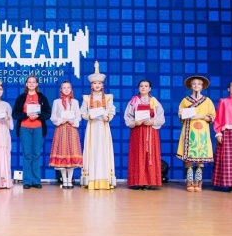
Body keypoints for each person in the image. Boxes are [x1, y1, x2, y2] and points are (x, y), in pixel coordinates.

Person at [80, 61, 116, 190]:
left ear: (102, 85)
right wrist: (88, 116)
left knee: (103, 150)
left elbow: (111, 110)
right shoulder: (86, 98)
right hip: (92, 127)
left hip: (103, 127)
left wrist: (108, 118)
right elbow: (82, 112)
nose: (97, 85)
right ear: (91, 85)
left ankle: (105, 179)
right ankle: (91, 179)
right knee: (92, 150)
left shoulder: (108, 97)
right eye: (95, 83)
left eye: (99, 83)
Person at [176, 75, 216, 192]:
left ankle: (198, 181)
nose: (196, 86)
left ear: (202, 86)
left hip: (202, 130)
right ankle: (189, 181)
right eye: (194, 84)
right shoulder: (185, 100)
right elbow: (181, 116)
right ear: (191, 86)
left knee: (200, 157)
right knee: (188, 158)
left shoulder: (207, 101)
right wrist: (181, 113)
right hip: (189, 130)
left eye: (199, 84)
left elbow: (212, 116)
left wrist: (201, 117)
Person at [124, 79, 165, 190]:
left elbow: (160, 116)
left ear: (150, 88)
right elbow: (128, 116)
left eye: (146, 86)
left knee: (150, 154)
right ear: (139, 88)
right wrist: (134, 122)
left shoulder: (154, 101)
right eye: (141, 86)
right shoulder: (134, 101)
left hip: (150, 132)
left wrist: (152, 122)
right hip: (137, 132)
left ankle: (149, 181)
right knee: (138, 154)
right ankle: (138, 181)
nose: (143, 88)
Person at [12, 75, 52, 189]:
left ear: (37, 84)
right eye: (29, 82)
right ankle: (27, 181)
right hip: (24, 128)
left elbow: (48, 114)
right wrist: (26, 115)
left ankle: (36, 181)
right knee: (27, 155)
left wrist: (38, 116)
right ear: (26, 84)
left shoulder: (42, 97)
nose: (31, 84)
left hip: (38, 128)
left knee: (36, 155)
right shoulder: (21, 98)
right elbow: (15, 114)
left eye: (33, 82)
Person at [49, 80, 83, 189]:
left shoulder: (75, 102)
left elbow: (78, 116)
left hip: (72, 129)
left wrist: (74, 121)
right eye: (64, 88)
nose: (66, 89)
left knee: (72, 153)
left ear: (71, 89)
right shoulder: (57, 102)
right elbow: (53, 116)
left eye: (68, 87)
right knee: (63, 153)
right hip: (61, 129)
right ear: (61, 89)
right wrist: (60, 120)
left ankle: (70, 180)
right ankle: (64, 180)